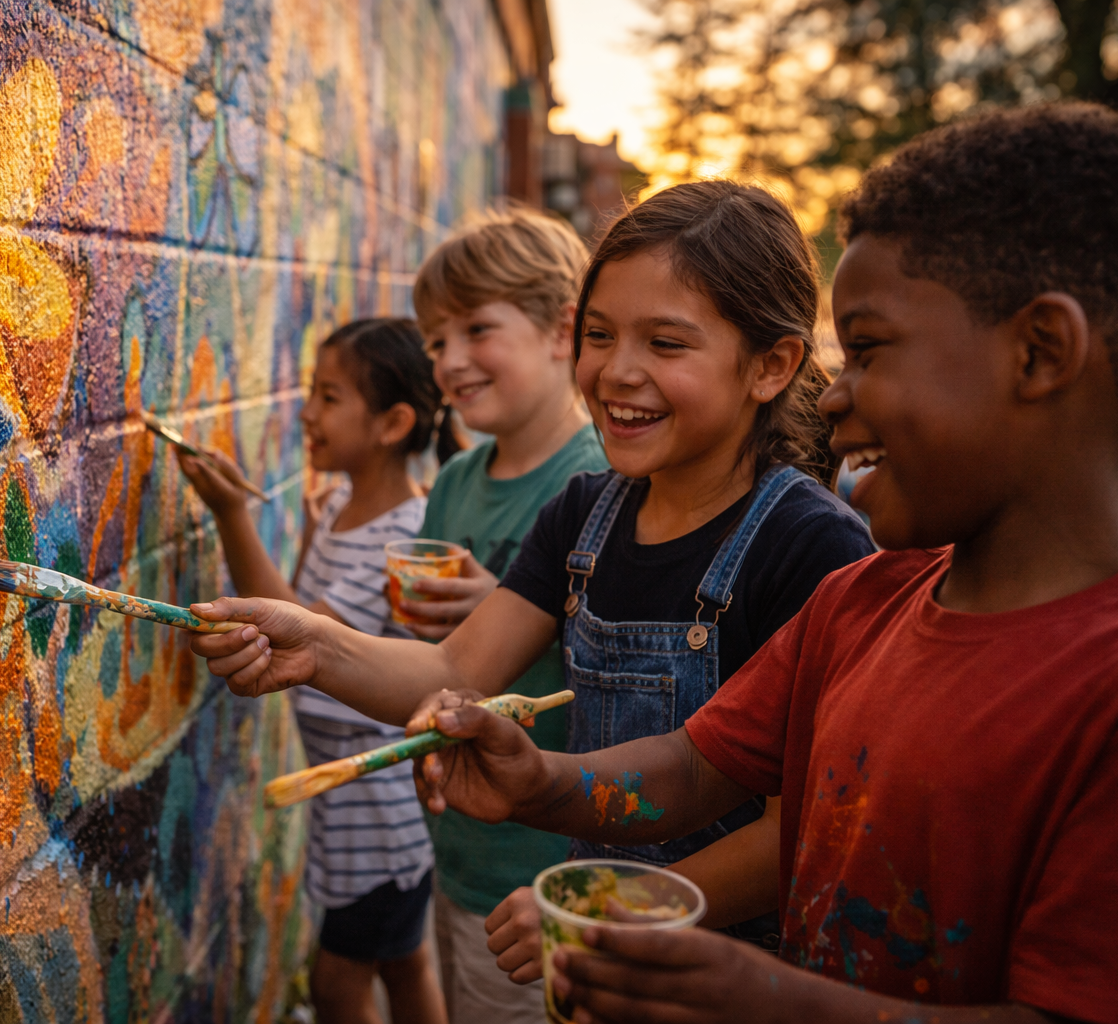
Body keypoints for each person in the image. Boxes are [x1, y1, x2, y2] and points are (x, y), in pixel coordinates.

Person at [400, 104, 1118, 1023]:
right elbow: (688, 772)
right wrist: (538, 781)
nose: (835, 399)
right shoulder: (864, 602)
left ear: (1041, 352)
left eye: (865, 350)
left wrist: (758, 994)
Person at [186, 184, 874, 993]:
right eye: (599, 335)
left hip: (721, 977)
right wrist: (315, 644)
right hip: (586, 950)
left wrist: (618, 905)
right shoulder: (584, 514)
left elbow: (805, 828)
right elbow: (452, 670)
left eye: (666, 343)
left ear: (771, 365)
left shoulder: (812, 545)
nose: (617, 372)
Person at [177, 318, 449, 1024]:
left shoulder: (399, 537)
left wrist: (233, 513)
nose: (305, 413)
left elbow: (291, 624)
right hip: (354, 813)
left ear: (392, 423)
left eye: (328, 397)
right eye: (310, 392)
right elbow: (295, 602)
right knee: (404, 962)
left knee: (337, 987)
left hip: (379, 822)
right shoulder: (336, 507)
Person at [400, 208, 610, 1021]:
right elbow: (433, 656)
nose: (449, 361)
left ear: (563, 330)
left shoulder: (598, 481)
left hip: (547, 868)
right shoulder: (455, 480)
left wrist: (508, 608)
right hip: (458, 851)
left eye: (476, 330)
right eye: (434, 342)